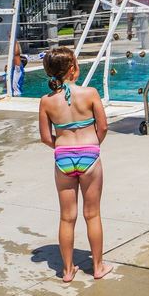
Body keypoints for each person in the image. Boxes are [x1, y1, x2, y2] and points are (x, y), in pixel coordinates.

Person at [37, 47, 111, 283]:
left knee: (67, 217)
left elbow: (45, 137)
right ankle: (98, 267)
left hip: (63, 159)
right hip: (89, 156)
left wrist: (63, 148)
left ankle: (68, 270)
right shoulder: (90, 93)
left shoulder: (46, 101)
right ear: (72, 69)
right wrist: (92, 145)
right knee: (92, 214)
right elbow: (103, 126)